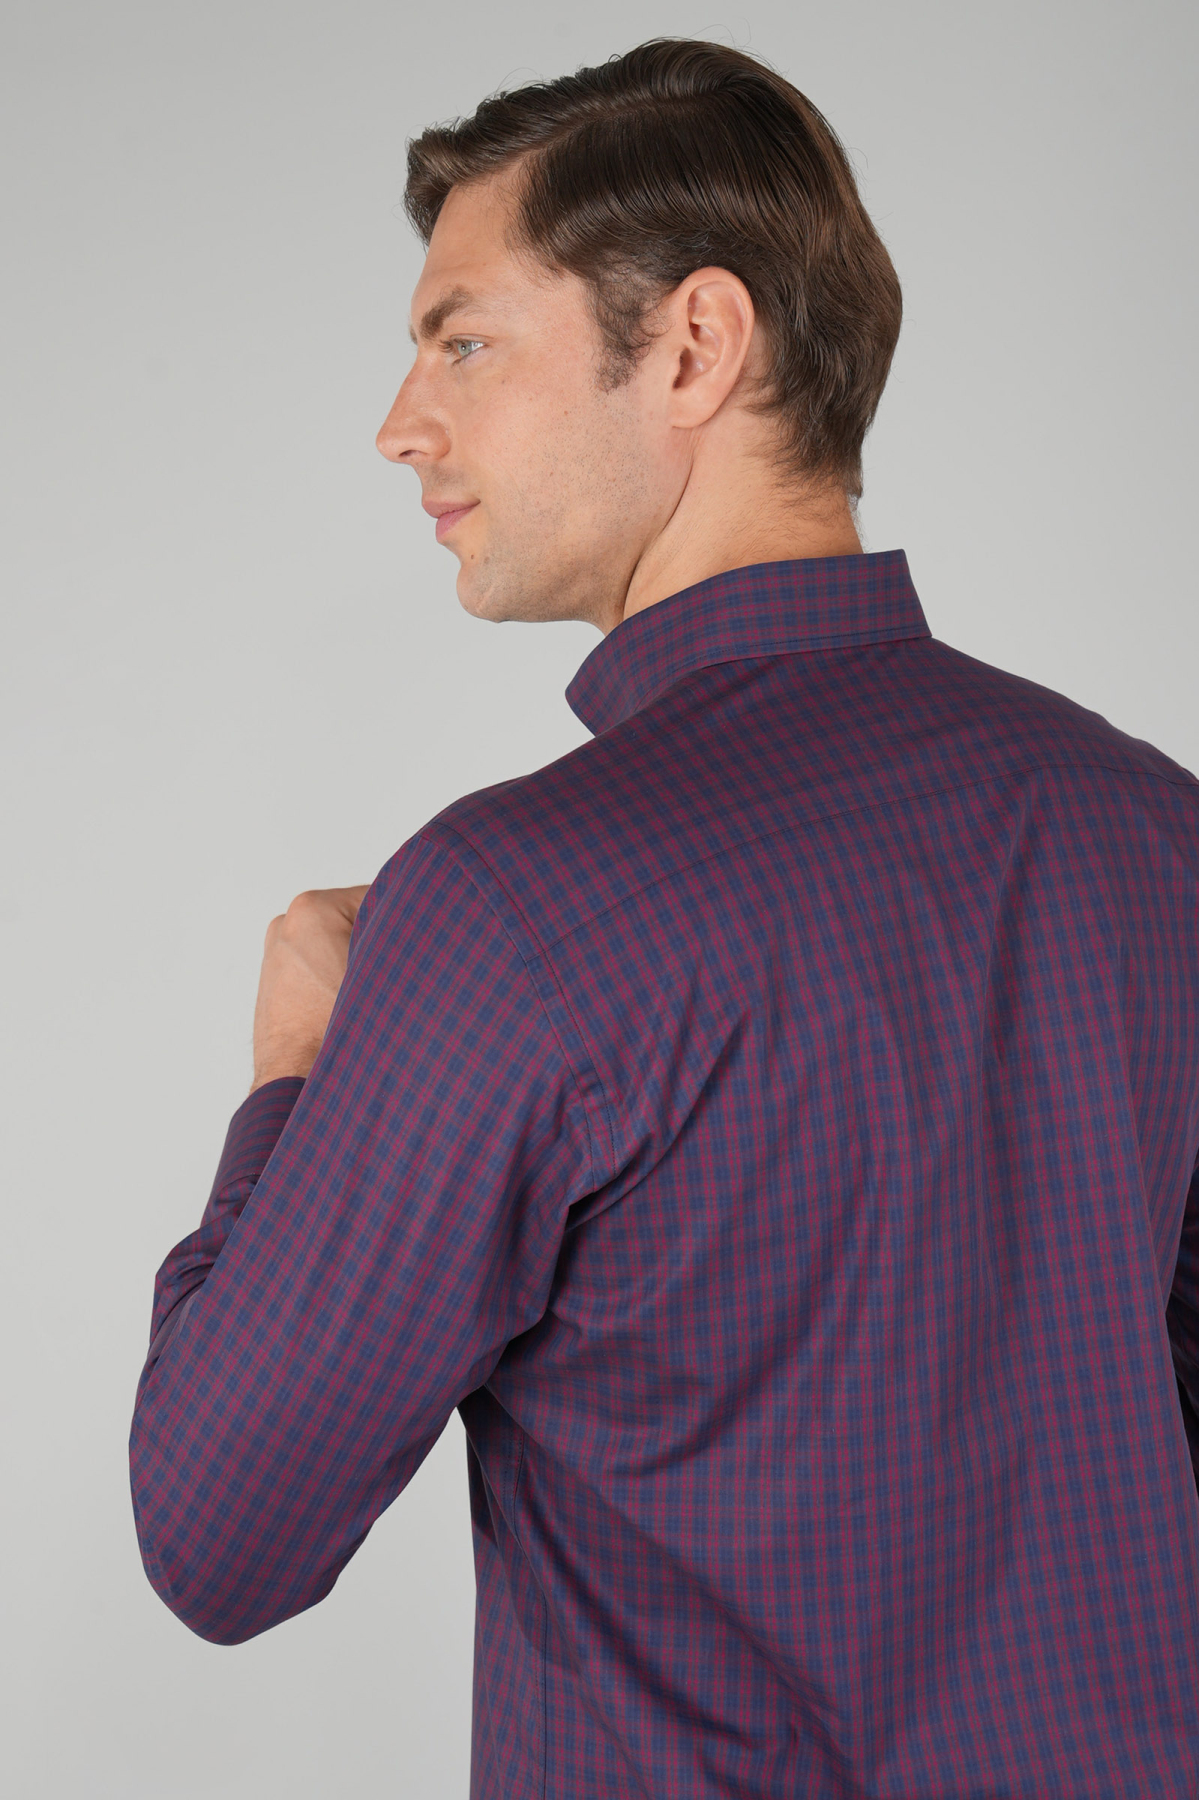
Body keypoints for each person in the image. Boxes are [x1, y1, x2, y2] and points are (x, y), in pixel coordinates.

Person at [128, 37, 1199, 1799]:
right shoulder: (1156, 831)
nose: (403, 423)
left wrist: (296, 1078)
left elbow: (218, 1537)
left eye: (464, 341)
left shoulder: (513, 910)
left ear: (695, 344)